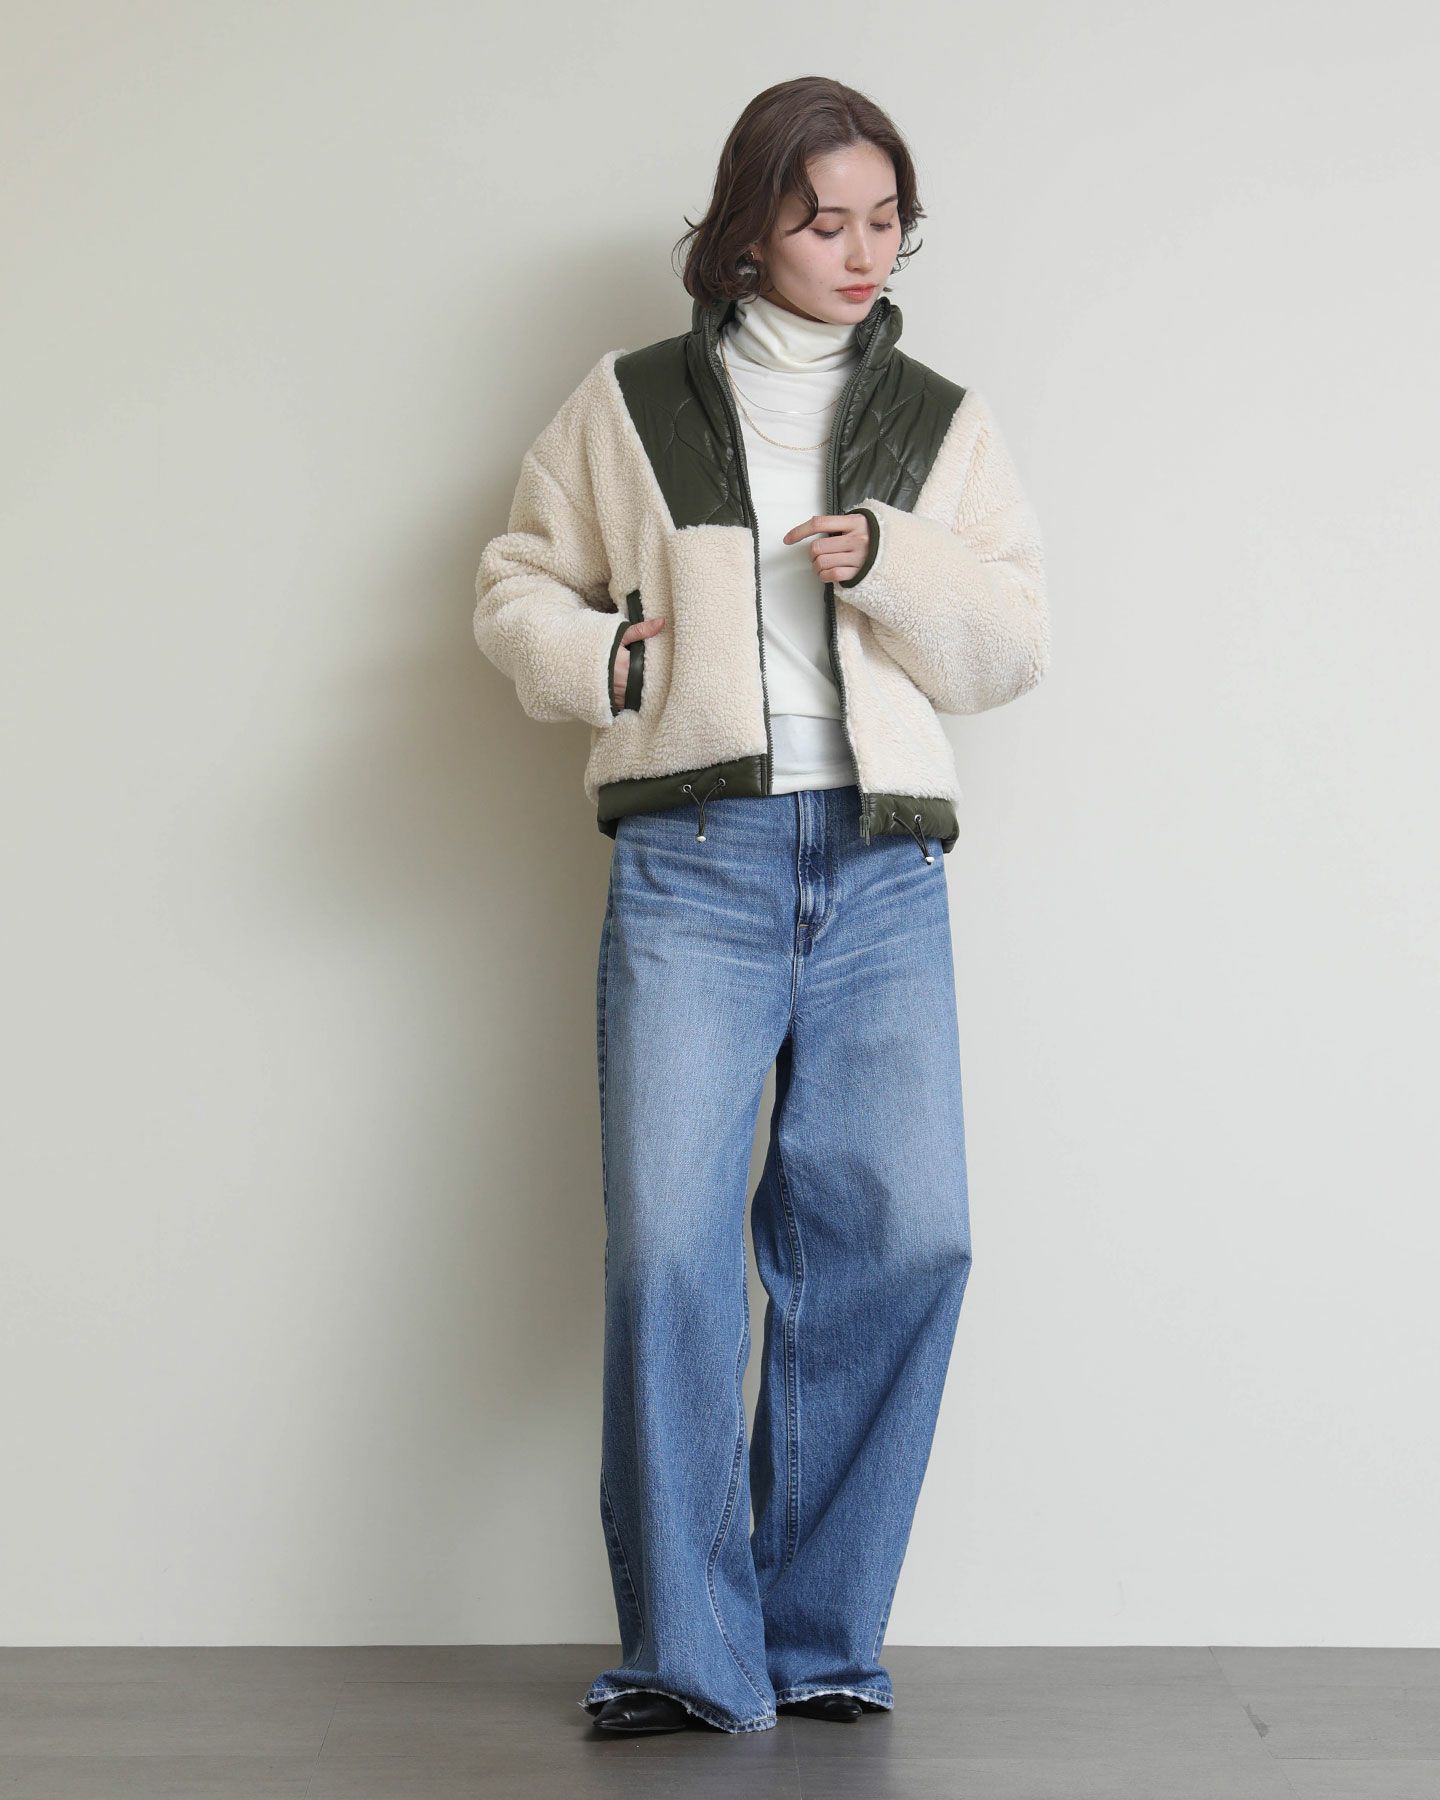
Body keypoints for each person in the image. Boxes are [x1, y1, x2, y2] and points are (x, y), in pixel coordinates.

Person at [473, 75, 1049, 1737]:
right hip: (697, 862)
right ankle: (686, 1652)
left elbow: (1015, 640)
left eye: (885, 221)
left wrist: (895, 563)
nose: (861, 252)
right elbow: (518, 583)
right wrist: (610, 660)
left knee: (908, 1238)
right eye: (823, 222)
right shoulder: (632, 401)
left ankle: (814, 1639)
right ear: (748, 233)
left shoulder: (938, 420)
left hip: (880, 867)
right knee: (671, 1252)